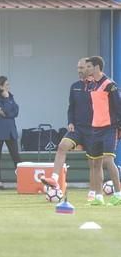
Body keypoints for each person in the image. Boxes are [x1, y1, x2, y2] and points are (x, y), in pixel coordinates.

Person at [40, 58, 91, 200]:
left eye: (81, 68)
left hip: (94, 130)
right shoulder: (74, 86)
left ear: (90, 68)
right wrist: (70, 122)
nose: (79, 70)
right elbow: (71, 107)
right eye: (78, 68)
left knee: (98, 162)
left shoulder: (99, 86)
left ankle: (96, 192)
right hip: (78, 129)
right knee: (62, 146)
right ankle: (55, 180)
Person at [83, 56, 121, 206]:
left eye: (89, 67)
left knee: (108, 160)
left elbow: (118, 107)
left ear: (97, 67)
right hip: (95, 128)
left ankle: (118, 194)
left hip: (109, 128)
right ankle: (99, 197)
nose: (86, 69)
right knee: (96, 163)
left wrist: (119, 127)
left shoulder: (110, 85)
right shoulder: (91, 85)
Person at [0, 76, 21, 190]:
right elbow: (3, 111)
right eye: (6, 85)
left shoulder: (10, 96)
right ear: (1, 86)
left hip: (10, 131)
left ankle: (22, 180)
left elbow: (16, 112)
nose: (9, 87)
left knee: (16, 156)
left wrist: (7, 110)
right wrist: (7, 107)